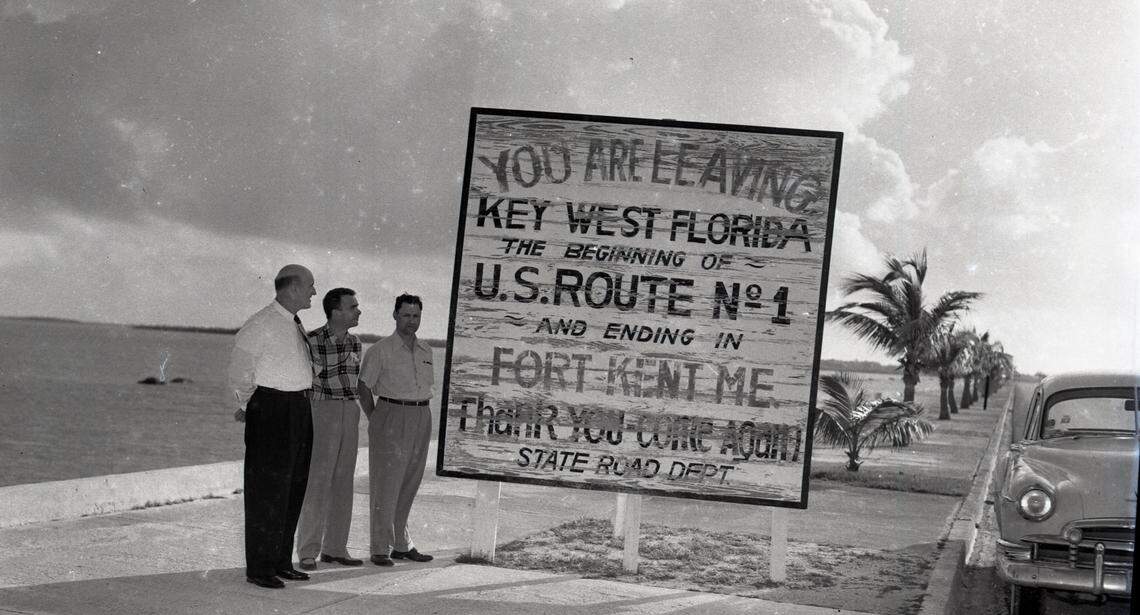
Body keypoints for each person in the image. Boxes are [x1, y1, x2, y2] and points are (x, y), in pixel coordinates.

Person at [227, 264, 316, 589]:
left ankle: (280, 561)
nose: (313, 293)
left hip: (297, 407)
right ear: (292, 288)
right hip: (273, 408)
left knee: (293, 488)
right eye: (309, 286)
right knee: (267, 490)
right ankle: (260, 567)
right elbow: (240, 370)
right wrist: (246, 405)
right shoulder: (260, 324)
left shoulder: (292, 323)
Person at [358, 293, 435, 566]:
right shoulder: (380, 350)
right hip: (391, 414)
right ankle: (380, 547)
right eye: (406, 315)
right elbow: (363, 387)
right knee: (386, 485)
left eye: (415, 316)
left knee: (409, 484)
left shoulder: (427, 350)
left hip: (421, 415)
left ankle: (401, 545)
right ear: (395, 315)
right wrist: (376, 419)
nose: (411, 321)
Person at [296, 288, 365, 570]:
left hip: (350, 411)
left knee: (344, 482)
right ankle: (308, 551)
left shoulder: (357, 342)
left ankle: (336, 548)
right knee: (317, 482)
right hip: (322, 410)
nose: (358, 311)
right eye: (353, 307)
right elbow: (306, 381)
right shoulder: (311, 341)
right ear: (336, 311)